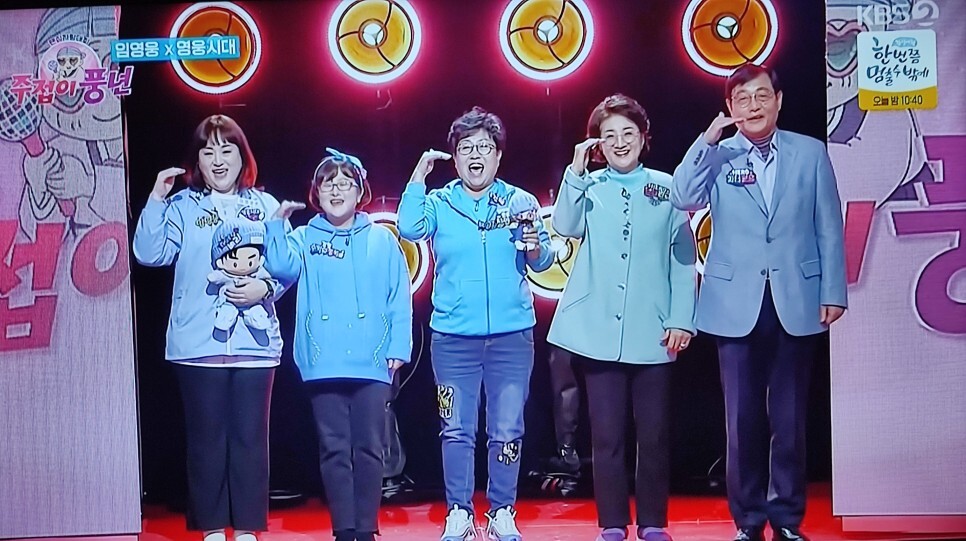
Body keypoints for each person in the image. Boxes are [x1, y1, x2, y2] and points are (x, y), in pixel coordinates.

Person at [670, 64, 848, 541]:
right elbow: (682, 196)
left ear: (779, 100)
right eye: (743, 99)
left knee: (789, 420)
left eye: (762, 96)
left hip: (797, 298)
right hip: (735, 302)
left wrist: (833, 289)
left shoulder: (810, 153)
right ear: (730, 107)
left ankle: (787, 518)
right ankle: (748, 521)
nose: (753, 106)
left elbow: (829, 224)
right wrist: (707, 141)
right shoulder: (719, 154)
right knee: (742, 420)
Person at [398, 106, 553, 541]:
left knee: (507, 428)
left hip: (511, 337)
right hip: (453, 339)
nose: (475, 155)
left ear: (499, 155)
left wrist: (534, 247)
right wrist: (418, 177)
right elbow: (409, 228)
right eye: (466, 148)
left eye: (484, 147)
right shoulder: (439, 202)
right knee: (456, 430)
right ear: (455, 157)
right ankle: (459, 512)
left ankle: (502, 510)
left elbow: (542, 260)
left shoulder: (520, 201)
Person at [548, 94, 697, 541]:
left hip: (654, 331)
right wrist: (575, 172)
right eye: (609, 135)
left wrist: (681, 318)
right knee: (607, 436)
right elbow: (565, 226)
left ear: (643, 137)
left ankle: (652, 523)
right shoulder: (588, 185)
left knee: (653, 436)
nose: (619, 142)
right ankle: (612, 523)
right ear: (597, 143)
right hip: (598, 331)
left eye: (627, 133)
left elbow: (683, 259)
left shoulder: (668, 187)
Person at [133, 114, 285, 541]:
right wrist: (157, 199)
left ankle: (249, 528)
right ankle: (213, 528)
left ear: (242, 156)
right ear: (196, 160)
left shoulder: (266, 206)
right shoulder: (182, 206)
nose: (218, 160)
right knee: (206, 440)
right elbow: (149, 253)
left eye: (227, 149)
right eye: (208, 151)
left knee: (251, 440)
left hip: (255, 344)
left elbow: (286, 264)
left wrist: (265, 288)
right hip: (197, 343)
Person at [265, 148, 412, 541]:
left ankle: (365, 529)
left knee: (370, 448)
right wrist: (276, 225)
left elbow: (399, 296)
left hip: (373, 361)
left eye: (346, 183)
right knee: (333, 448)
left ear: (360, 192)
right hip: (323, 361)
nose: (337, 190)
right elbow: (279, 267)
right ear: (316, 192)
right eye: (329, 183)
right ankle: (344, 530)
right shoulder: (304, 237)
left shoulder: (382, 240)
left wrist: (399, 346)